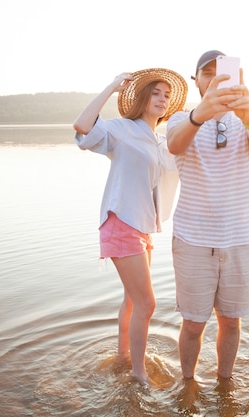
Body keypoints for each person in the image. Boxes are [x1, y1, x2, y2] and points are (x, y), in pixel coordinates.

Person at [166, 50, 249, 385]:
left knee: (231, 321)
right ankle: (188, 383)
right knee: (194, 323)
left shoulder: (246, 120)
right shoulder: (180, 119)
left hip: (237, 240)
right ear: (195, 80)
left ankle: (225, 383)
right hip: (192, 241)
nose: (215, 78)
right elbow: (173, 144)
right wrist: (201, 114)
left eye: (223, 72)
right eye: (207, 73)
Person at [73, 68, 187, 386]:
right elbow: (82, 128)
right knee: (147, 303)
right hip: (121, 223)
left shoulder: (161, 141)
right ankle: (139, 374)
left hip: (142, 227)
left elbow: (182, 161)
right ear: (142, 98)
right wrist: (111, 87)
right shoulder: (122, 129)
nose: (163, 99)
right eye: (156, 93)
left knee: (134, 300)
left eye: (167, 95)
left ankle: (124, 357)